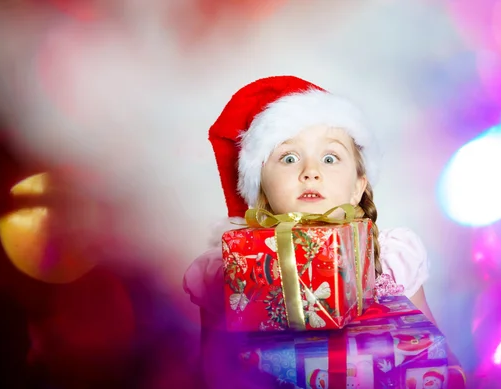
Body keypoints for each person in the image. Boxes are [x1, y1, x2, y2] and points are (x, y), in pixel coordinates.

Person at [183, 75, 465, 388]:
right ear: (259, 188)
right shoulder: (227, 269)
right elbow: (211, 371)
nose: (311, 172)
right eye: (288, 158)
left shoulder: (393, 256)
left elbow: (434, 353)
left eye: (330, 158)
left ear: (359, 188)